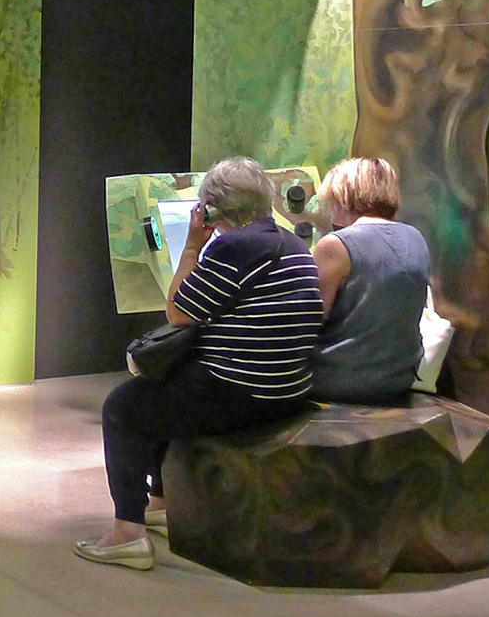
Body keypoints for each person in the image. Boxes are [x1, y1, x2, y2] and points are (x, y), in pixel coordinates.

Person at [76, 157, 324, 570]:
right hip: (287, 391)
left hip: (243, 392)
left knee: (124, 406)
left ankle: (127, 533)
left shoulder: (235, 246)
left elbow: (178, 311)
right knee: (166, 389)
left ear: (209, 208)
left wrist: (192, 245)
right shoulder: (291, 243)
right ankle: (159, 503)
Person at [309, 157, 430, 405]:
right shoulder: (416, 238)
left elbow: (310, 320)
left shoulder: (335, 245)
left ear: (343, 195)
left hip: (338, 380)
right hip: (399, 378)